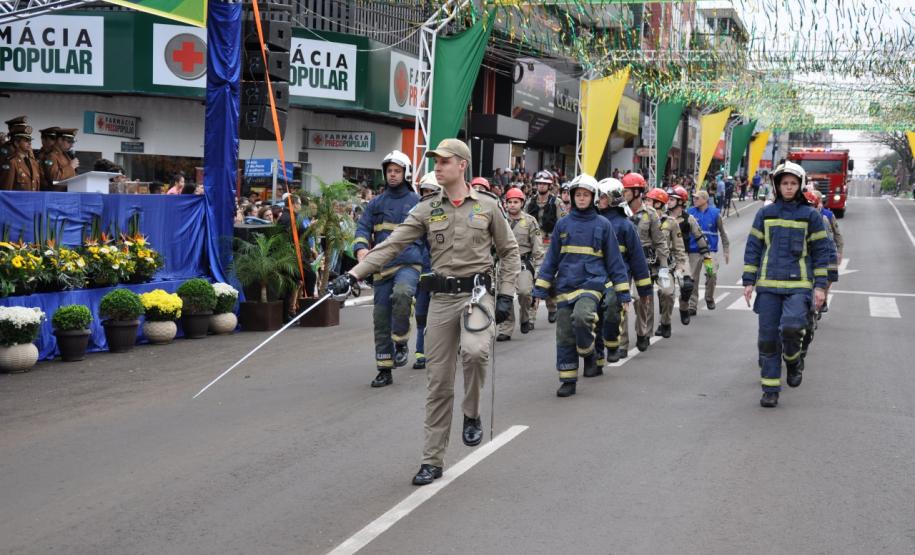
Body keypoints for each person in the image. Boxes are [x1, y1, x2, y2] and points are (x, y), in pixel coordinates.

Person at [331, 138, 520, 486]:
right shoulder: (426, 208)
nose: (438, 166)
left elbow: (509, 252)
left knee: (476, 354)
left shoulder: (489, 206)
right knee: (438, 383)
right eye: (436, 160)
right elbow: (393, 244)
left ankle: (472, 412)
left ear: (462, 165)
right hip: (441, 301)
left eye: (445, 161)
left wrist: (506, 294)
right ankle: (432, 460)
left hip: (478, 294)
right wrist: (353, 275)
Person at [532, 174, 630, 397]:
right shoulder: (563, 224)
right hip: (565, 285)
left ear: (593, 197)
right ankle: (568, 380)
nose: (582, 198)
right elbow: (551, 260)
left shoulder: (603, 225)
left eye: (586, 195)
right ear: (573, 197)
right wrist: (539, 290)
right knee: (565, 332)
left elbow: (615, 262)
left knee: (583, 317)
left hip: (591, 283)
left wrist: (623, 294)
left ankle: (587, 352)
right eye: (578, 195)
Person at [743, 161, 830, 408]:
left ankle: (793, 361)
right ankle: (770, 390)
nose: (789, 188)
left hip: (799, 285)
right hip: (768, 286)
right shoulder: (765, 213)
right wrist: (748, 281)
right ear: (777, 186)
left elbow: (822, 252)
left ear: (800, 185)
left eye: (793, 184)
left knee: (792, 327)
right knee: (768, 340)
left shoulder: (811, 216)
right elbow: (754, 247)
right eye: (784, 184)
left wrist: (820, 286)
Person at [352, 150, 424, 388]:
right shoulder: (376, 203)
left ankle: (401, 341)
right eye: (390, 171)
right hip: (381, 268)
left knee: (403, 294)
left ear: (406, 173)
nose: (393, 175)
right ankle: (384, 369)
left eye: (397, 171)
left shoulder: (417, 202)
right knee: (381, 319)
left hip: (408, 263)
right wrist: (361, 250)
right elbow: (362, 228)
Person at [595, 178, 652, 362]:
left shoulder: (625, 225)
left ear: (612, 198)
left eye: (602, 197)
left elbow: (637, 260)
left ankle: (617, 345)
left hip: (617, 278)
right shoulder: (591, 220)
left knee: (615, 308)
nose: (598, 200)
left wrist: (644, 291)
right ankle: (595, 357)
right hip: (593, 277)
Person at [621, 172, 669, 353]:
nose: (623, 193)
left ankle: (641, 333)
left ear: (636, 192)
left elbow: (659, 242)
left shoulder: (651, 214)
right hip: (622, 262)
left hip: (643, 262)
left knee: (641, 300)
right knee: (622, 301)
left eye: (626, 190)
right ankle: (622, 344)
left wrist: (663, 267)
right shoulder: (619, 211)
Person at [497, 187, 544, 341]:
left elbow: (537, 245)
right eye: (509, 202)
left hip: (524, 262)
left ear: (522, 203)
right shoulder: (500, 220)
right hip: (504, 264)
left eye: (516, 202)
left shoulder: (530, 221)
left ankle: (525, 317)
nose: (512, 205)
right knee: (505, 296)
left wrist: (538, 268)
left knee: (524, 293)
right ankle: (506, 328)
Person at [644, 188, 686, 338]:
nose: (646, 203)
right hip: (646, 266)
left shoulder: (671, 223)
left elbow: (679, 247)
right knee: (645, 299)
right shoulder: (642, 220)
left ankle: (665, 322)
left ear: (658, 204)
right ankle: (645, 334)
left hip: (663, 266)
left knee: (667, 293)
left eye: (649, 201)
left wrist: (680, 267)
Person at [524, 170, 566, 323]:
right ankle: (531, 317)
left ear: (549, 186)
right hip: (533, 245)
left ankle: (552, 306)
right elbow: (524, 221)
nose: (541, 186)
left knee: (548, 279)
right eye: (539, 183)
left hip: (550, 245)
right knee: (534, 280)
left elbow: (563, 224)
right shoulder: (530, 202)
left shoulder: (556, 203)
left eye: (544, 184)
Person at [666, 185, 711, 325]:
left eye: (672, 199)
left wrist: (706, 254)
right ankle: (664, 322)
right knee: (665, 291)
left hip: (681, 256)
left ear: (681, 202)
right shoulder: (661, 216)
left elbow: (699, 236)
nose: (668, 201)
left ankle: (684, 309)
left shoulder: (688, 218)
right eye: (668, 198)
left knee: (687, 285)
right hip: (664, 256)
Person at [412, 173, 441, 370]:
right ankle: (421, 353)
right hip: (421, 273)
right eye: (425, 191)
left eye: (432, 191)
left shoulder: (446, 213)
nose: (427, 195)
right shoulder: (415, 213)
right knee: (421, 315)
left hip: (442, 275)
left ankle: (446, 349)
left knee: (442, 317)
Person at [686, 190, 730, 314]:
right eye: (693, 198)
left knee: (711, 274)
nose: (694, 200)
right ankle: (692, 305)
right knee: (692, 279)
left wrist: (726, 250)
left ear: (705, 200)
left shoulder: (715, 214)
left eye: (697, 198)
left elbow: (723, 232)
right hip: (694, 251)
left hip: (709, 252)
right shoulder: (690, 212)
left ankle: (709, 297)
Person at [1, 125, 41, 191]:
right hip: (17, 201)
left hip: (33, 200)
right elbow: (7, 189)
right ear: (16, 143)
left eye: (30, 140)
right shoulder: (12, 162)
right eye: (26, 140)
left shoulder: (34, 163)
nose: (29, 143)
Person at [36, 126, 59, 191]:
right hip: (43, 191)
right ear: (43, 140)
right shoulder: (37, 156)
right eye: (52, 139)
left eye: (56, 139)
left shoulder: (60, 155)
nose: (55, 142)